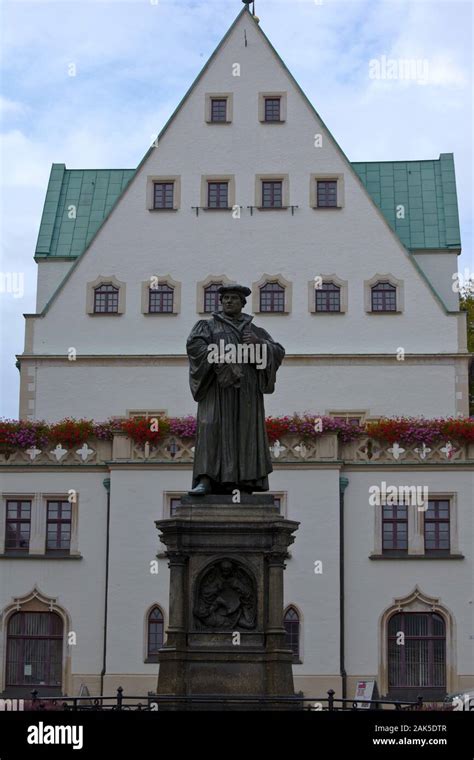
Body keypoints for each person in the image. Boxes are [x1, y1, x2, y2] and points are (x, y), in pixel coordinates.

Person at [186, 284, 285, 495]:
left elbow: (277, 351)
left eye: (234, 298)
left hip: (247, 392)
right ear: (220, 302)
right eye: (226, 298)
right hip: (217, 389)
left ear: (242, 303)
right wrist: (221, 356)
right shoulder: (207, 326)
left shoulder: (255, 330)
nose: (229, 301)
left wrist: (260, 344)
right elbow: (195, 349)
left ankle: (245, 481)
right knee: (211, 427)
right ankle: (206, 479)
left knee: (246, 433)